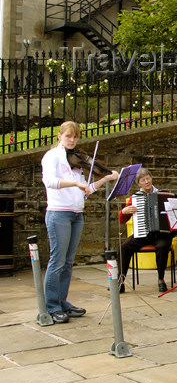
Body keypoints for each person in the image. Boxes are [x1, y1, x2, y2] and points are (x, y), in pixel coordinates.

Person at [41, 121, 119, 323]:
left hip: (77, 214)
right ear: (59, 136)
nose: (72, 140)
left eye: (75, 137)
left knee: (67, 263)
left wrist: (106, 179)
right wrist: (75, 182)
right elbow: (50, 181)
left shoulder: (76, 161)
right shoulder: (52, 157)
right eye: (68, 136)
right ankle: (52, 306)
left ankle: (63, 302)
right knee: (57, 261)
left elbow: (87, 190)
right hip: (59, 213)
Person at [118, 168, 177, 293]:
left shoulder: (162, 195)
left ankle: (161, 279)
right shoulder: (135, 198)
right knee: (124, 246)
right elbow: (122, 219)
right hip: (143, 233)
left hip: (161, 234)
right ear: (139, 184)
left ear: (151, 178)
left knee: (163, 246)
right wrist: (123, 212)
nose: (146, 182)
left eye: (148, 178)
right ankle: (120, 280)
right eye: (143, 180)